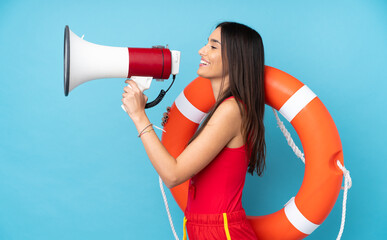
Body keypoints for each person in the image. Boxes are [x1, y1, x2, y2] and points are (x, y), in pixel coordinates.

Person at [122, 21, 266, 240]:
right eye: (206, 43)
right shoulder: (226, 109)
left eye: (213, 46)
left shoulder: (231, 110)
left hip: (222, 232)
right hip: (202, 228)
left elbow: (173, 175)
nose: (202, 50)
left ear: (236, 58)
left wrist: (139, 116)